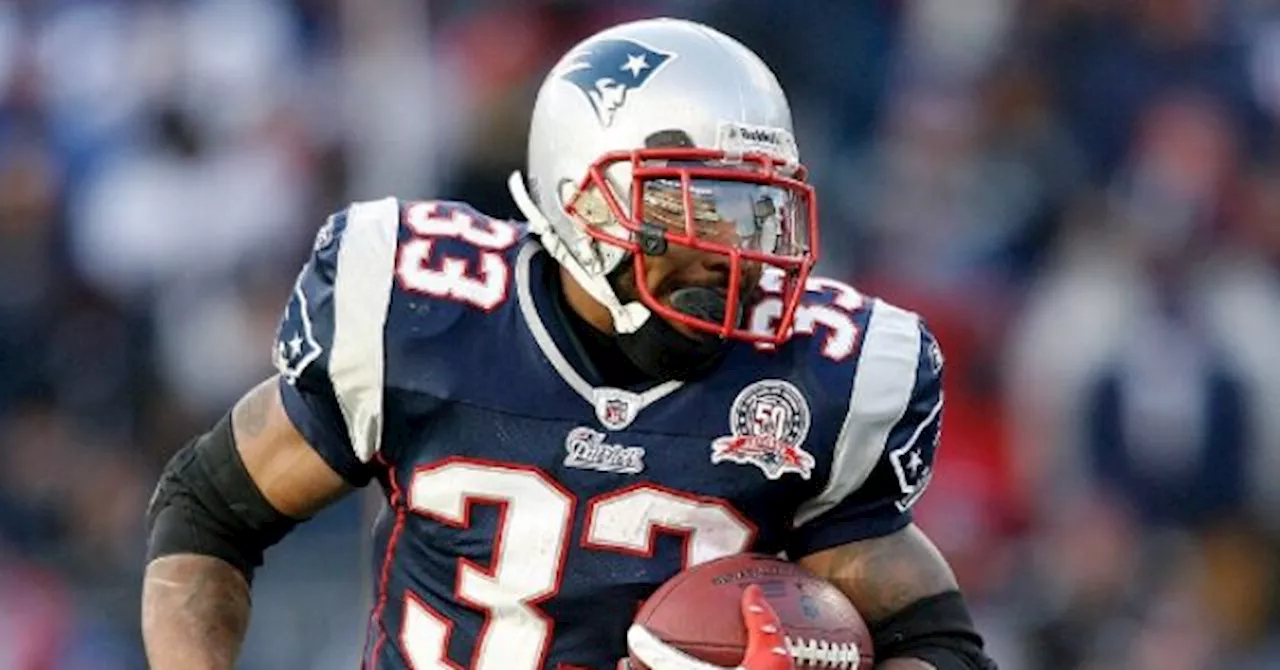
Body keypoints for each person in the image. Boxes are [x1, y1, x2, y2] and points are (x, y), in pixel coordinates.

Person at [141, 17, 995, 670]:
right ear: (581, 199)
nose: (732, 250)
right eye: (695, 208)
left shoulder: (816, 377)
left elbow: (936, 640)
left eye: (756, 212)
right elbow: (207, 513)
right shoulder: (429, 316)